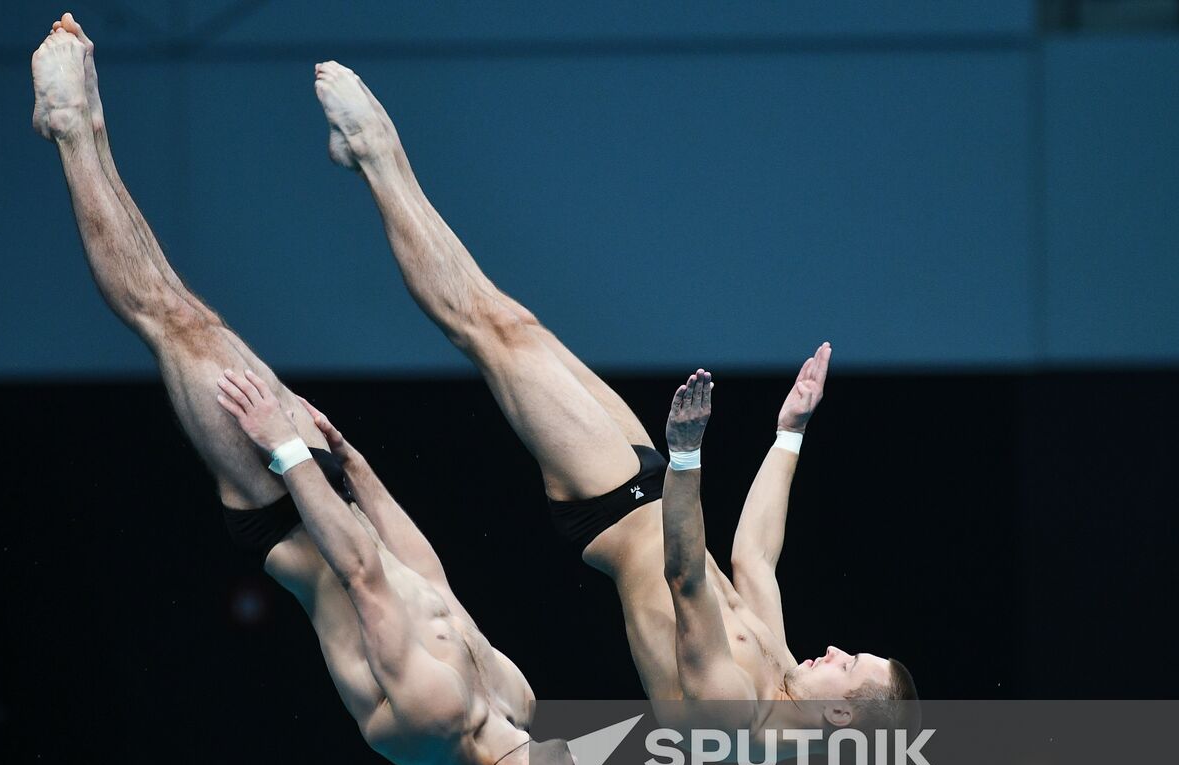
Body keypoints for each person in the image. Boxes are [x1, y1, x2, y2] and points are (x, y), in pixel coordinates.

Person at [31, 16, 593, 765]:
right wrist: (356, 464)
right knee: (187, 319)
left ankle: (72, 130)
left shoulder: (432, 725)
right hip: (329, 495)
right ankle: (94, 130)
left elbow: (366, 577)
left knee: (175, 322)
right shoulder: (512, 704)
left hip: (285, 509)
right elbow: (427, 578)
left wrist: (290, 454)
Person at [314, 62, 917, 725]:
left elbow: (684, 575)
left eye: (848, 665)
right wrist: (789, 432)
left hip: (611, 507)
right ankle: (369, 159)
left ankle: (375, 151)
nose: (833, 650)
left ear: (841, 717)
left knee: (488, 330)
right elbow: (754, 556)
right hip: (651, 484)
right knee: (514, 325)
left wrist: (687, 454)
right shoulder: (778, 670)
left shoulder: (736, 711)